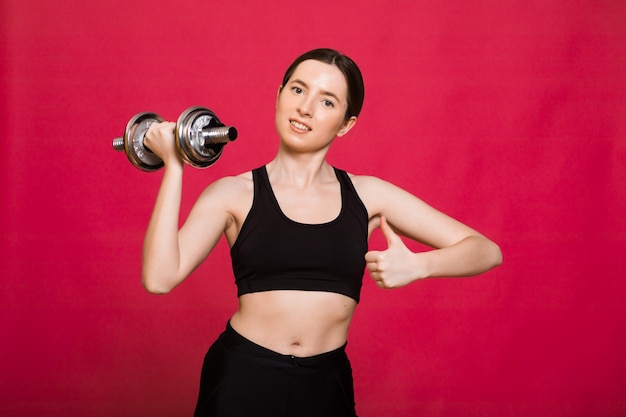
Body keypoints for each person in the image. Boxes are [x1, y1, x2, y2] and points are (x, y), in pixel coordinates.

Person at [141, 48, 502, 417]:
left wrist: (419, 266)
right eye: (298, 90)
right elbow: (159, 278)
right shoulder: (232, 193)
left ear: (346, 123)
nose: (306, 108)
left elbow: (486, 250)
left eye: (326, 101)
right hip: (242, 378)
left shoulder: (369, 195)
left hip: (326, 384)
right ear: (279, 95)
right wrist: (174, 167)